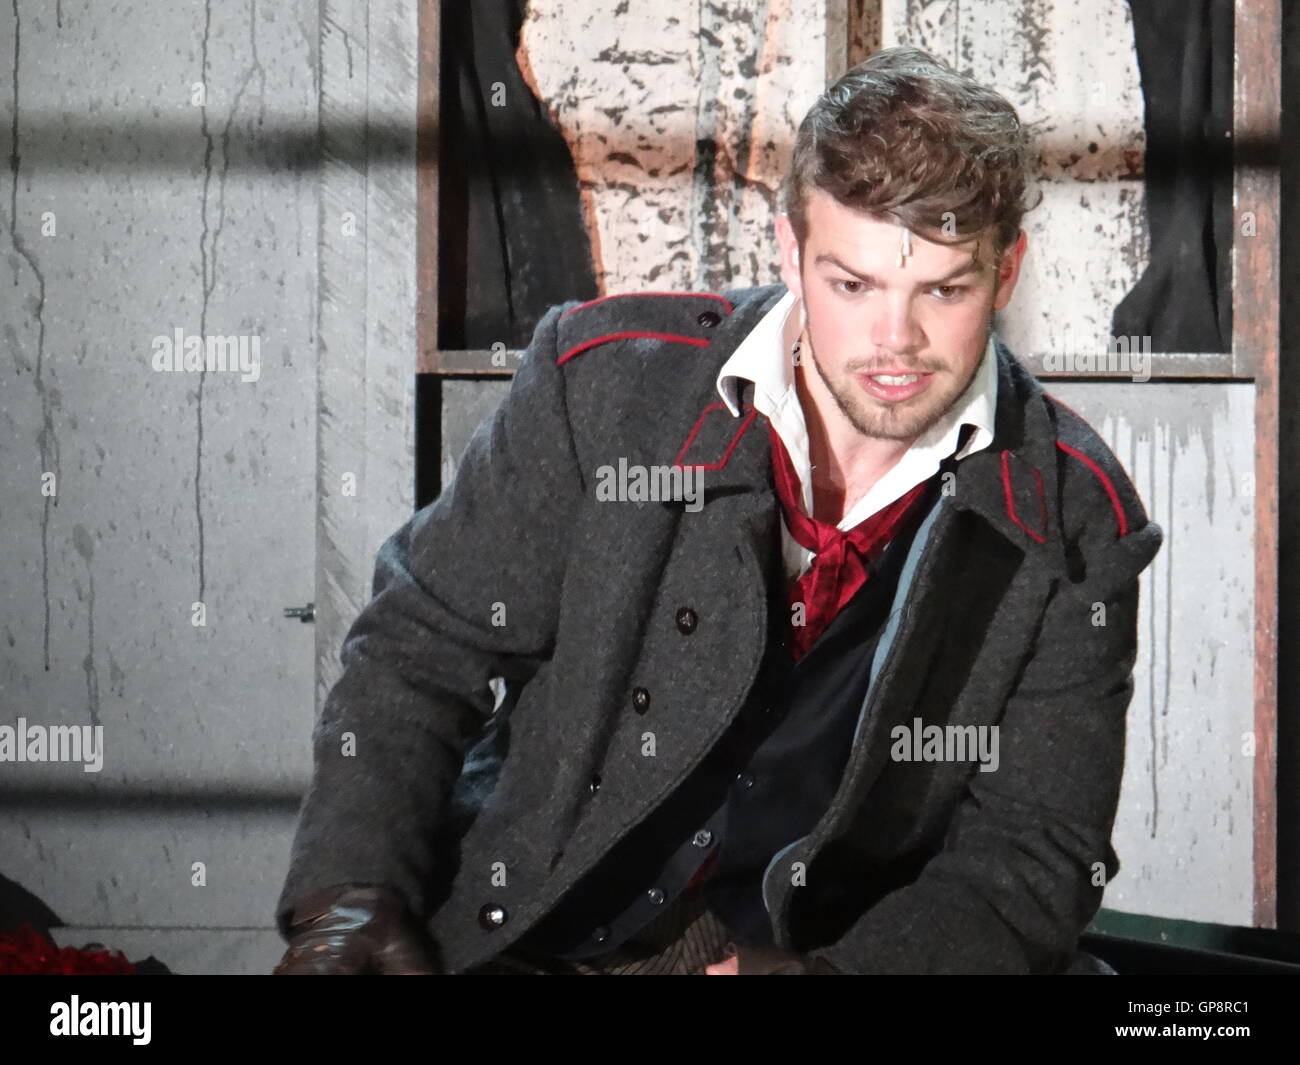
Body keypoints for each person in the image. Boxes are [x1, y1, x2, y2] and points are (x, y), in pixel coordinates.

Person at [273, 45, 1162, 975]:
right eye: (852, 285)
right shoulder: (606, 384)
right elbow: (419, 648)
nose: (893, 342)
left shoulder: (1075, 514)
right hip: (528, 931)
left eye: (943, 289)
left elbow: (1030, 852)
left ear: (1006, 271)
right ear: (790, 251)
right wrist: (349, 895)